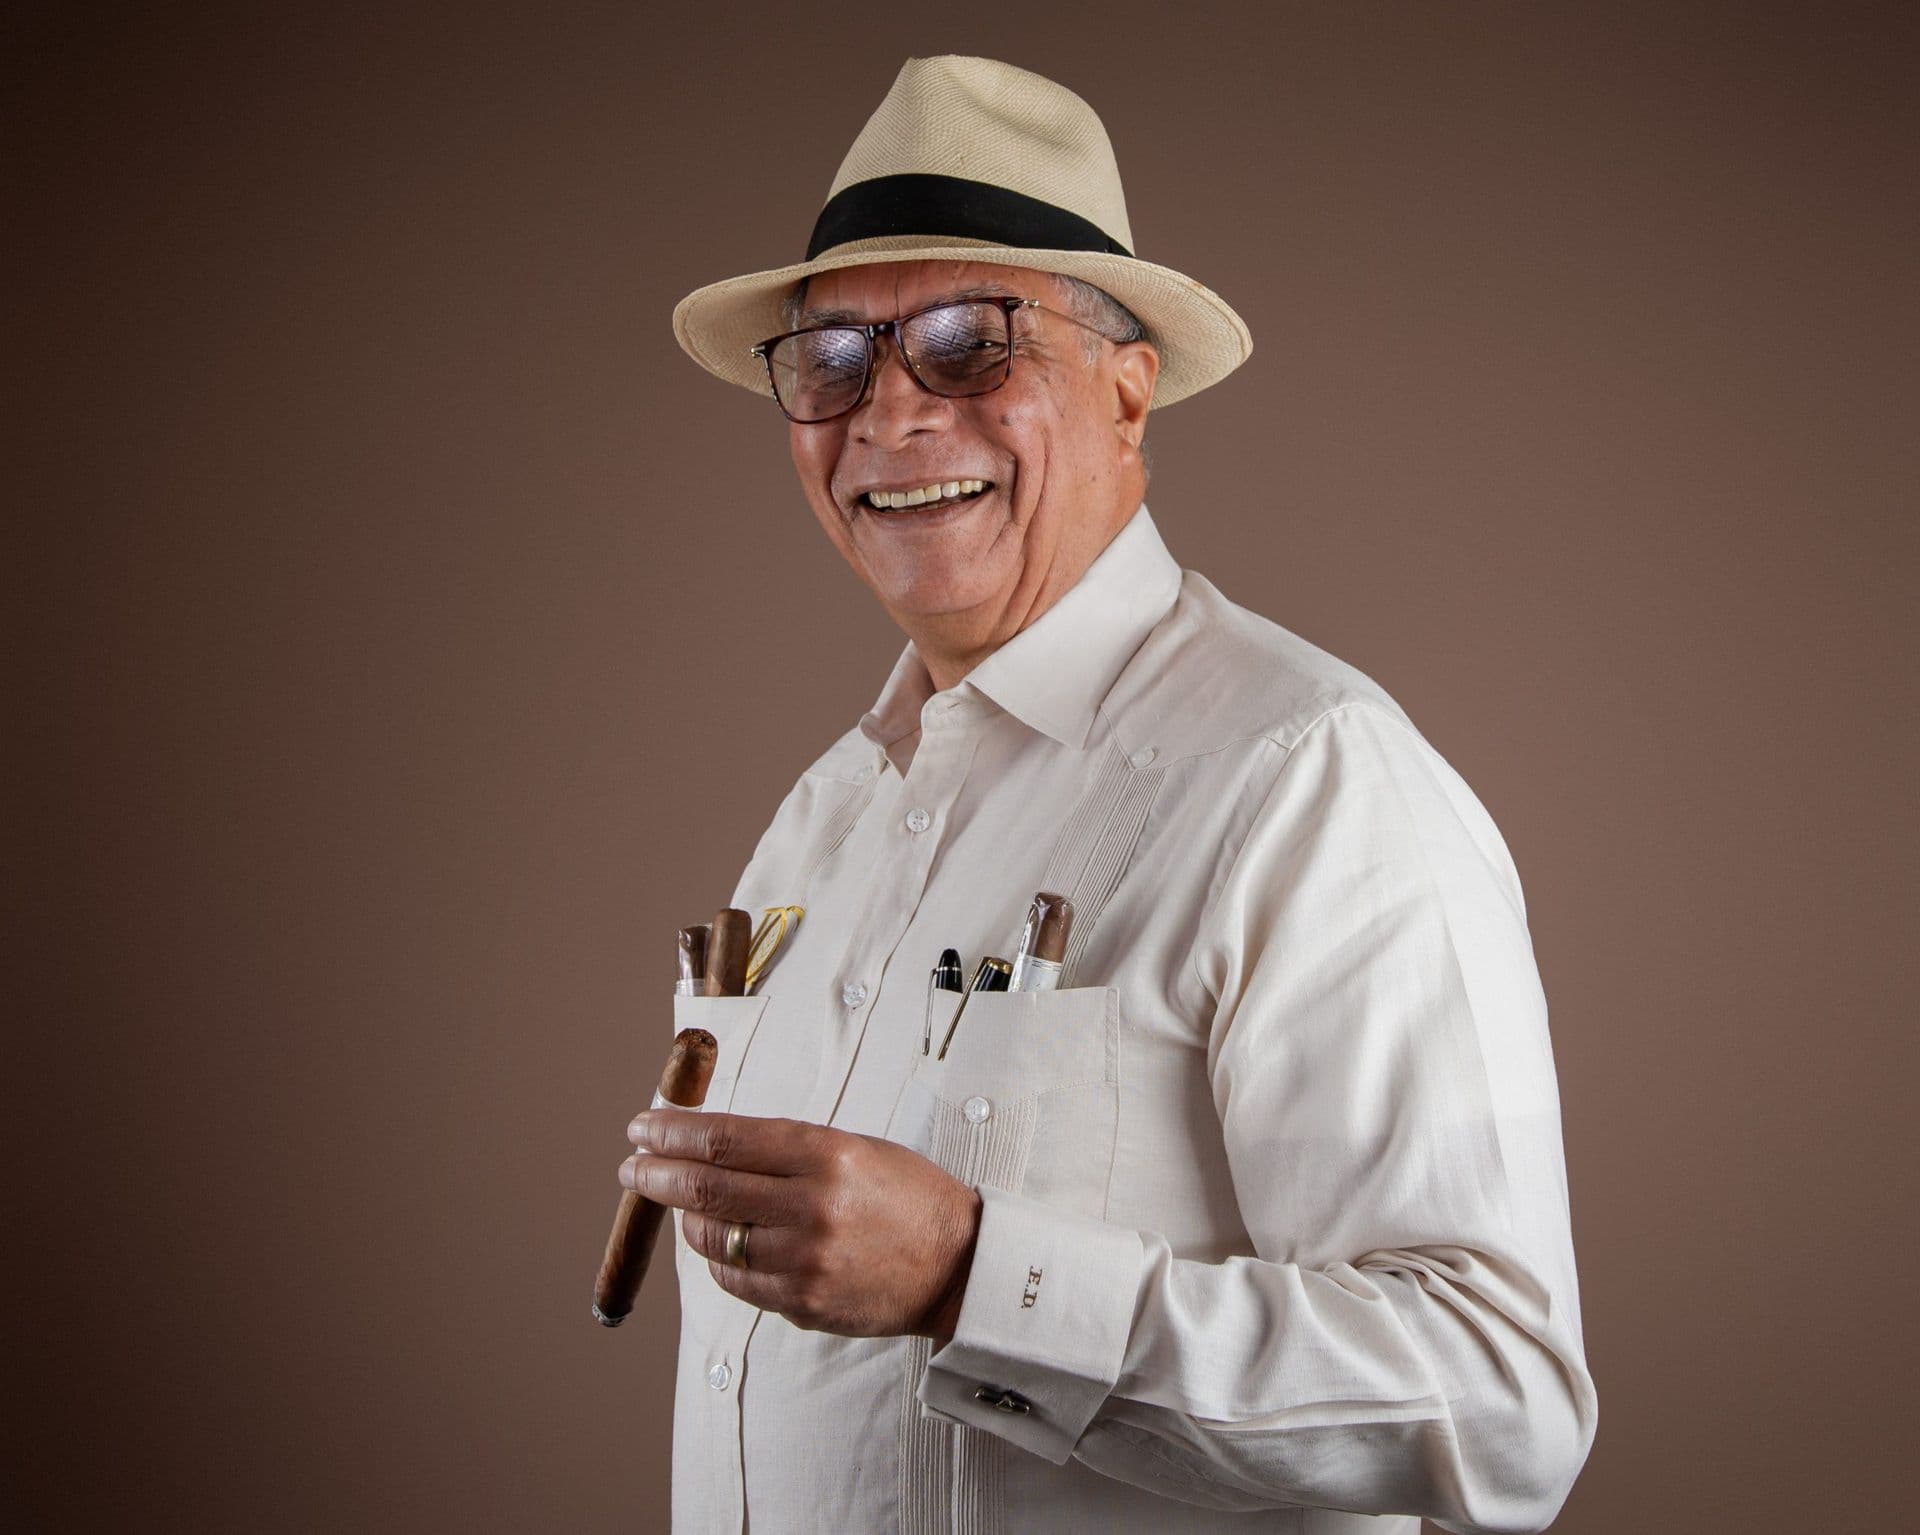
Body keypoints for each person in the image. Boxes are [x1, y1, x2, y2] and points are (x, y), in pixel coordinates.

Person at [620, 55, 1597, 1534]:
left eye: (966, 343)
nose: (886, 413)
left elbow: (1502, 1403)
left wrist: (970, 1276)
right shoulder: (819, 816)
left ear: (1129, 391)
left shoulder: (1309, 776)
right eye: (830, 359)